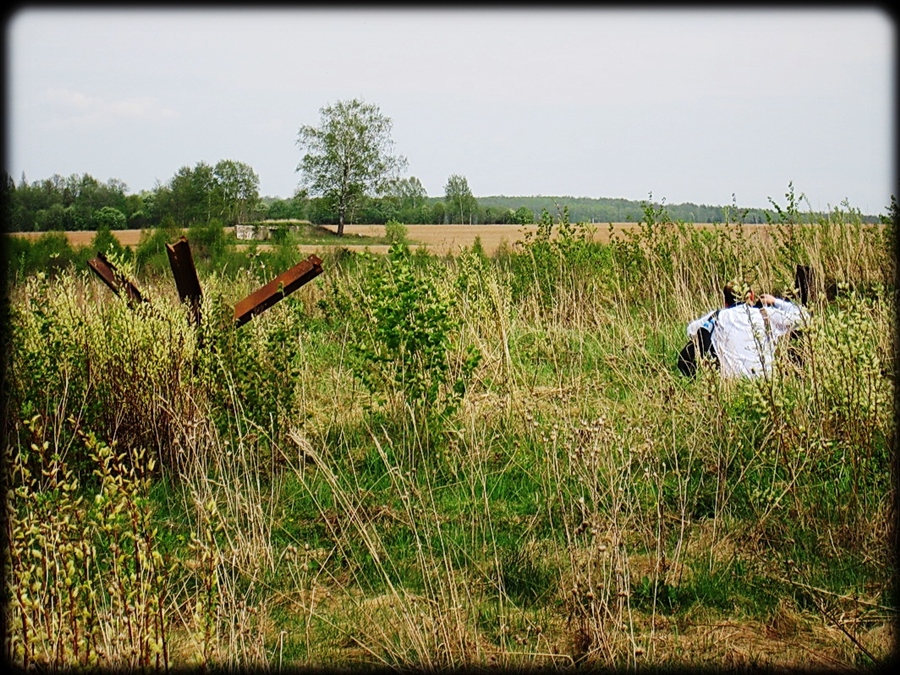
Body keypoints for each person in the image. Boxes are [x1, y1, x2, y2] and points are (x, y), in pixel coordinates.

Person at [680, 279, 808, 379]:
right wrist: (775, 301)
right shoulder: (766, 314)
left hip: (731, 385)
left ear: (726, 302)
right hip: (766, 384)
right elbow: (804, 318)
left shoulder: (718, 316)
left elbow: (691, 330)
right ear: (751, 296)